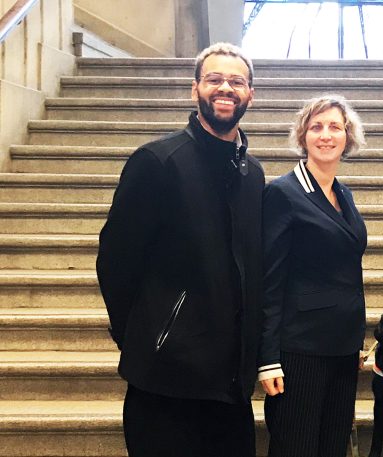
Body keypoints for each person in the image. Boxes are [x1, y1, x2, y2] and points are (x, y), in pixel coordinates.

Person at [96, 42, 264, 457]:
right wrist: (145, 336)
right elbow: (116, 261)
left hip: (230, 386)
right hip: (165, 382)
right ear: (195, 90)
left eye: (236, 81)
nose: (225, 88)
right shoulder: (158, 161)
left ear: (250, 95)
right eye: (214, 79)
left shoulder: (252, 172)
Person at [258, 95, 367, 457]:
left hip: (342, 346)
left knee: (332, 447)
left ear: (347, 136)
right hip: (299, 349)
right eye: (316, 127)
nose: (326, 135)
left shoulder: (343, 194)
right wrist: (267, 357)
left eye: (335, 127)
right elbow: (269, 280)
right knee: (297, 448)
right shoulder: (282, 193)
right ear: (303, 135)